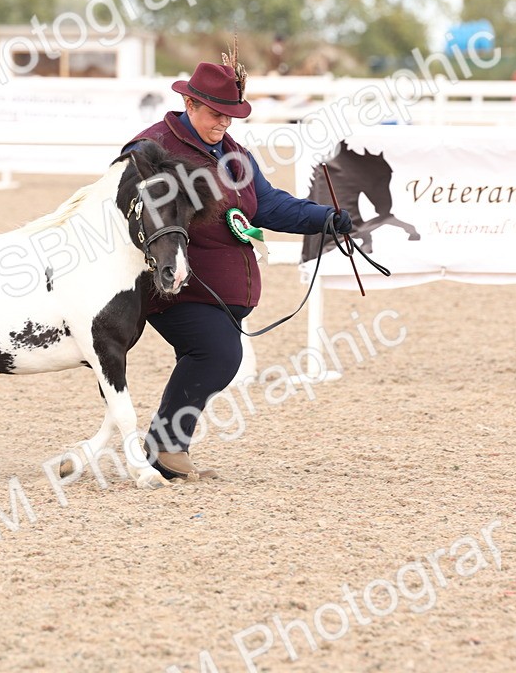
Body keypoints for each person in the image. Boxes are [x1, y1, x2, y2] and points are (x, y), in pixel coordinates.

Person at [124, 58, 353, 481]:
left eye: (230, 114)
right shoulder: (152, 148)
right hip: (173, 285)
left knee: (213, 355)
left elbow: (266, 203)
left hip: (218, 289)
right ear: (190, 104)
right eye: (216, 113)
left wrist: (322, 217)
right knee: (217, 354)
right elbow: (125, 206)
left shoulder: (233, 154)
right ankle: (165, 448)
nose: (224, 122)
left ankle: (163, 446)